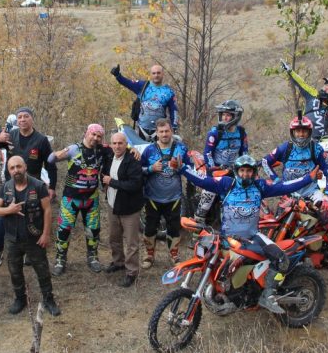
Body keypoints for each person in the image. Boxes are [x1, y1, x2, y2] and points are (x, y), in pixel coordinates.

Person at [183, 155, 321, 313]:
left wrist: (308, 178)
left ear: (254, 172)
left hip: (253, 236)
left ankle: (268, 294)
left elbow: (285, 186)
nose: (245, 174)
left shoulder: (260, 186)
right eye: (242, 170)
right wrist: (182, 169)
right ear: (236, 171)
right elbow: (202, 180)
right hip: (229, 237)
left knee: (281, 259)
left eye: (248, 171)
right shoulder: (226, 184)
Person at [263, 115, 328, 269]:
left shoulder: (316, 148)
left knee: (326, 212)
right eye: (297, 131)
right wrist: (276, 180)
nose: (301, 134)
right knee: (279, 221)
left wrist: (327, 195)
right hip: (289, 193)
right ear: (292, 132)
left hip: (311, 192)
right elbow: (265, 161)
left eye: (304, 131)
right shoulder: (285, 148)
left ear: (309, 132)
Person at [0, 106, 57, 267]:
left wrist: (52, 187)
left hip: (34, 187)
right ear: (17, 120)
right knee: (2, 222)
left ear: (32, 119)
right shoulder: (10, 136)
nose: (22, 119)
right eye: (20, 117)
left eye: (26, 116)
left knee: (33, 221)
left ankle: (30, 254)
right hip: (10, 187)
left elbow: (51, 165)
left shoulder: (41, 140)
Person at [0, 155, 60, 316]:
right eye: (12, 168)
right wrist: (9, 210)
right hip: (13, 238)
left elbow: (47, 210)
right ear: (9, 171)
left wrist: (46, 234)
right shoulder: (6, 187)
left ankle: (49, 299)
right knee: (15, 271)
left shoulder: (38, 186)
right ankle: (20, 299)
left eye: (18, 166)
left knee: (42, 271)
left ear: (25, 167)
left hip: (34, 237)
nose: (16, 170)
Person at [49, 123, 113, 275]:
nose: (95, 138)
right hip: (71, 198)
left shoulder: (103, 150)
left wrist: (133, 150)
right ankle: (60, 259)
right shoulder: (74, 149)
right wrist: (57, 153)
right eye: (93, 134)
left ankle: (93, 258)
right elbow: (50, 159)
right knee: (64, 229)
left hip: (91, 198)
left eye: (99, 136)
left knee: (93, 229)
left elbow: (122, 147)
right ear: (86, 133)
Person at [140, 118, 191, 268]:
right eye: (161, 131)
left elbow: (191, 168)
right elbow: (138, 170)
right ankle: (149, 255)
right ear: (156, 133)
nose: (164, 134)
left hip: (174, 197)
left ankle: (174, 255)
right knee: (150, 227)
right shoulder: (149, 150)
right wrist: (151, 168)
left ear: (172, 131)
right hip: (152, 197)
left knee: (174, 227)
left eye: (167, 131)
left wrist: (181, 167)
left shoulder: (181, 148)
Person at [102, 131, 145, 287]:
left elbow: (135, 185)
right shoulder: (108, 156)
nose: (117, 146)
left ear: (126, 144)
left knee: (131, 242)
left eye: (120, 143)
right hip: (112, 204)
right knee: (114, 237)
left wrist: (111, 182)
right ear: (110, 144)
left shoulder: (133, 160)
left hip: (130, 208)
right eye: (114, 143)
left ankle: (132, 272)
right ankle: (118, 262)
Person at [196, 99, 249, 222]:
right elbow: (208, 153)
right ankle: (198, 222)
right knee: (208, 194)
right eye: (223, 114)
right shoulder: (215, 132)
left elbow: (244, 152)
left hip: (234, 169)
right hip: (216, 168)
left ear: (236, 116)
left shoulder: (241, 132)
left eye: (228, 115)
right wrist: (213, 168)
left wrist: (245, 166)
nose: (224, 117)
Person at [280, 61, 328, 140]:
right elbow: (301, 83)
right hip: (304, 138)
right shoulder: (313, 94)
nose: (324, 88)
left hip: (323, 142)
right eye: (325, 85)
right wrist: (290, 71)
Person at [110, 63, 178, 138]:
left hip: (160, 131)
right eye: (154, 73)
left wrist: (174, 128)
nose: (156, 75)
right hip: (141, 129)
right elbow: (128, 83)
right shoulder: (142, 85)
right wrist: (118, 75)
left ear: (163, 74)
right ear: (150, 74)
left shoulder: (169, 92)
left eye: (158, 73)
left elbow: (174, 111)